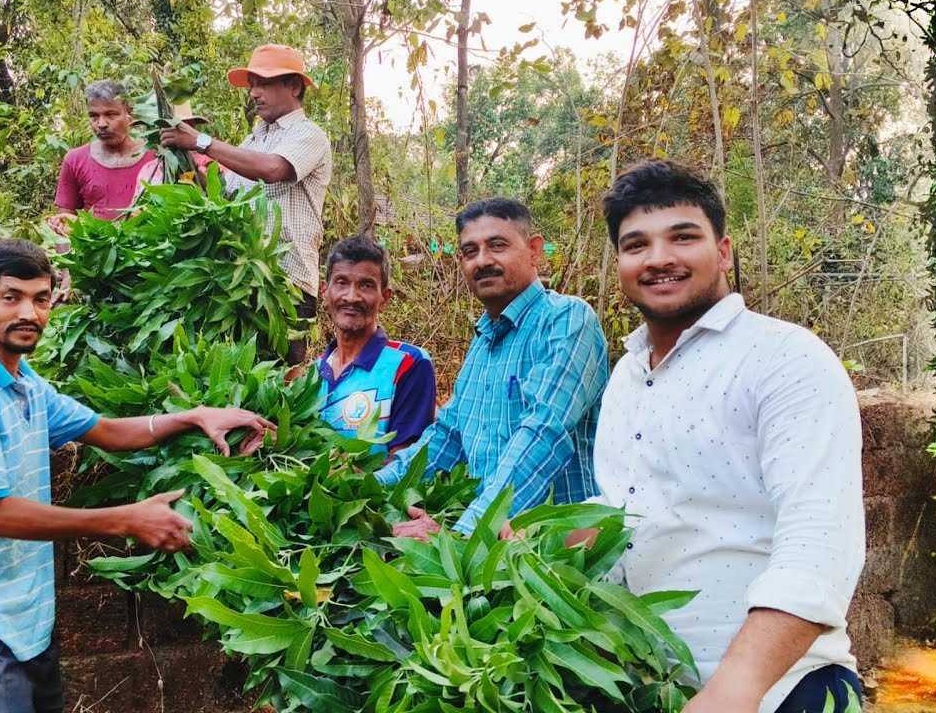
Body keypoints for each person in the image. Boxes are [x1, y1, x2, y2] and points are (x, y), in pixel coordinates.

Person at [0, 239, 277, 713]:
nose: (29, 312)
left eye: (41, 299)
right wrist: (125, 519)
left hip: (24, 616)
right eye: (11, 297)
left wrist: (194, 416)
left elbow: (105, 430)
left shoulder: (25, 384)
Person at [585, 159, 866, 713]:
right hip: (649, 682)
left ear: (724, 251)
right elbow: (627, 511)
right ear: (619, 263)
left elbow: (819, 542)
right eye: (636, 244)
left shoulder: (784, 358)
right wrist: (501, 542)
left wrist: (734, 689)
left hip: (778, 688)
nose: (659, 258)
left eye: (683, 237)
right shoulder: (626, 373)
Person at [375, 198, 609, 538]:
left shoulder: (567, 320)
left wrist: (463, 537)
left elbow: (543, 431)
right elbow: (447, 438)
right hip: (490, 551)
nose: (482, 260)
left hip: (555, 554)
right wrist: (367, 487)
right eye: (470, 251)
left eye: (497, 246)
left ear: (534, 250)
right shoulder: (482, 343)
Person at [160, 44, 332, 366]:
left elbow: (272, 169)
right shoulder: (254, 140)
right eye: (252, 84)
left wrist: (201, 141)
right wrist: (187, 166)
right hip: (242, 281)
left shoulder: (309, 135)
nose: (254, 93)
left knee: (282, 381)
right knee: (244, 379)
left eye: (263, 83)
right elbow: (226, 193)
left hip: (286, 284)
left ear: (294, 86)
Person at [317, 236, 436, 456]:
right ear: (325, 292)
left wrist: (333, 469)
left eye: (366, 285)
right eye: (341, 282)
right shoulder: (312, 375)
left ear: (384, 298)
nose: (351, 297)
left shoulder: (409, 364)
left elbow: (404, 468)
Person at [52, 80, 155, 223]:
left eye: (111, 114)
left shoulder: (156, 157)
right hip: (95, 245)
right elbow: (62, 224)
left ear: (129, 114)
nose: (101, 124)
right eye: (94, 116)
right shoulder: (75, 160)